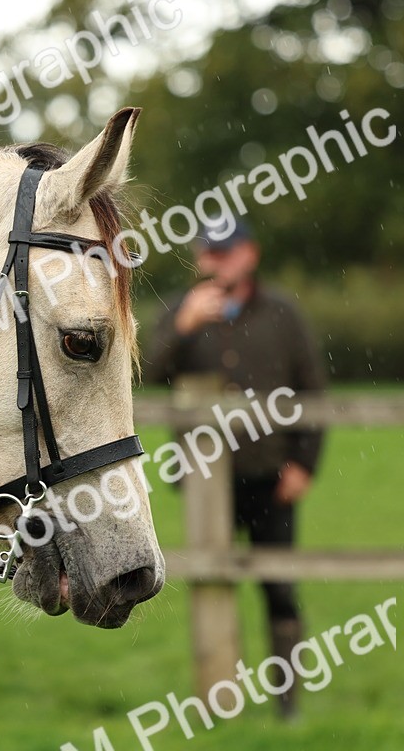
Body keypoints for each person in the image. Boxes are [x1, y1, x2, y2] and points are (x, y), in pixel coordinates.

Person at [144, 218, 326, 720]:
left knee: (280, 590)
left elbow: (313, 393)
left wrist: (304, 465)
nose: (214, 262)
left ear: (250, 254)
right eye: (208, 253)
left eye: (225, 252)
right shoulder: (180, 313)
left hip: (273, 478)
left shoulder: (283, 315)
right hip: (204, 481)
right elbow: (144, 376)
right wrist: (182, 329)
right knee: (212, 586)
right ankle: (219, 701)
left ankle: (288, 709)